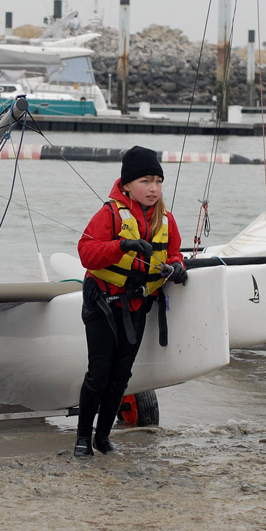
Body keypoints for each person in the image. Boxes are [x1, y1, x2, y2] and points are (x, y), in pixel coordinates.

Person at [74, 146, 187, 457]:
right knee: (99, 374)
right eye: (145, 181)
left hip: (136, 306)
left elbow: (175, 252)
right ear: (126, 185)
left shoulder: (167, 219)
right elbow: (86, 253)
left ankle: (103, 438)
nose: (153, 188)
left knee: (121, 377)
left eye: (158, 181)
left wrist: (178, 266)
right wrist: (121, 245)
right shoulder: (109, 214)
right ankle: (83, 438)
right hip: (102, 303)